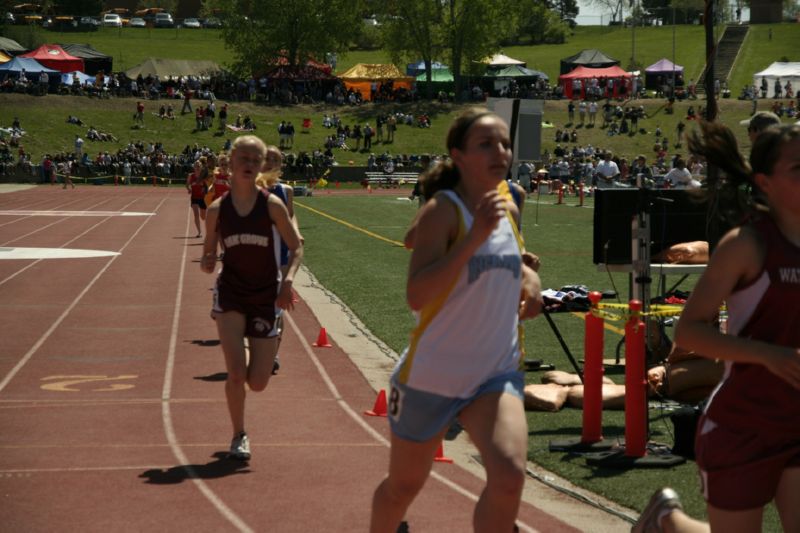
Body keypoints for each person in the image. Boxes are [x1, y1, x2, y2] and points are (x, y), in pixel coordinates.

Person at [370, 108, 543, 533]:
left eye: (504, 143)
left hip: (494, 374)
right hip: (432, 377)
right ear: (458, 155)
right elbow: (418, 293)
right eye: (485, 143)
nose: (499, 151)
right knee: (403, 487)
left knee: (509, 477)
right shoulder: (443, 212)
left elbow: (510, 262)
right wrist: (474, 239)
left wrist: (531, 278)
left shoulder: (510, 206)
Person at [632, 122, 800, 533]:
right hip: (743, 423)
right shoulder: (746, 244)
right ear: (765, 182)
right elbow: (689, 331)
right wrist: (768, 353)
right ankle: (668, 521)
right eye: (799, 168)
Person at [200, 135, 303, 460]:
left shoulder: (271, 205)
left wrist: (287, 281)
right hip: (231, 292)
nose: (247, 164)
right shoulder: (217, 210)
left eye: (253, 160)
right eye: (242, 157)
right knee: (234, 372)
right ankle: (239, 435)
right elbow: (208, 253)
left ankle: (249, 356)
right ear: (230, 163)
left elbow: (297, 246)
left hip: (264, 294)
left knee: (258, 382)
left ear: (260, 167)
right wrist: (207, 261)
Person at [255, 145, 302, 376]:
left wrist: (296, 233)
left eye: (276, 160)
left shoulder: (286, 190)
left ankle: (273, 354)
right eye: (267, 159)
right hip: (256, 254)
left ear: (280, 165)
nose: (271, 163)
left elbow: (291, 217)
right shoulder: (251, 188)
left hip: (281, 253)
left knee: (278, 307)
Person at [186, 159, 208, 237]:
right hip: (194, 197)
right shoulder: (190, 176)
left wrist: (204, 189)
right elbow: (187, 184)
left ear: (201, 167)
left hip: (202, 198)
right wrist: (189, 189)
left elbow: (207, 187)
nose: (197, 167)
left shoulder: (203, 177)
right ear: (194, 167)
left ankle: (208, 230)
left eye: (199, 166)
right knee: (196, 214)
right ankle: (199, 232)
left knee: (203, 217)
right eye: (196, 166)